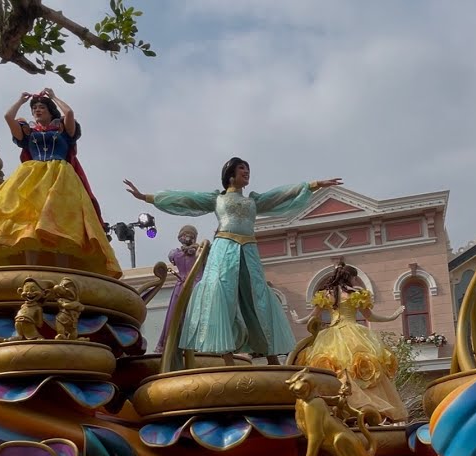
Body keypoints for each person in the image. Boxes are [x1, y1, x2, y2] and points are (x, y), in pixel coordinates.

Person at [124, 159, 342, 364]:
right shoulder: (216, 199)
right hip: (224, 249)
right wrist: (147, 197)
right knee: (222, 298)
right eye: (241, 169)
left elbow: (281, 194)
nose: (246, 172)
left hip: (249, 250)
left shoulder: (253, 201)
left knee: (258, 298)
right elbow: (185, 198)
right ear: (230, 175)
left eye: (247, 169)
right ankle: (228, 358)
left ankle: (272, 357)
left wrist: (313, 185)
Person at [0, 88, 121, 278]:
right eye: (34, 108)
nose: (37, 110)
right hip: (32, 177)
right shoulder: (28, 132)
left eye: (41, 107)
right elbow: (7, 116)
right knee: (28, 224)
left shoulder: (63, 130)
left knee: (61, 225)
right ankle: (31, 272)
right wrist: (21, 100)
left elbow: (69, 113)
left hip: (60, 179)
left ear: (50, 110)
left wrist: (53, 97)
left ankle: (62, 273)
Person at [295, 260, 408, 423]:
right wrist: (392, 316)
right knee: (358, 370)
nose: (356, 282)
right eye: (355, 279)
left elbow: (313, 316)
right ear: (350, 277)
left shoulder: (327, 294)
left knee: (338, 369)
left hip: (331, 335)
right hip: (353, 333)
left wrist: (298, 320)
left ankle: (342, 407)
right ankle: (363, 407)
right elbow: (370, 316)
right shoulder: (355, 293)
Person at [156, 225, 201, 352]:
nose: (186, 237)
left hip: (197, 288)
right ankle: (175, 346)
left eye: (189, 234)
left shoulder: (201, 251)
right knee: (177, 317)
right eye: (184, 234)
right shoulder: (175, 253)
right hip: (181, 288)